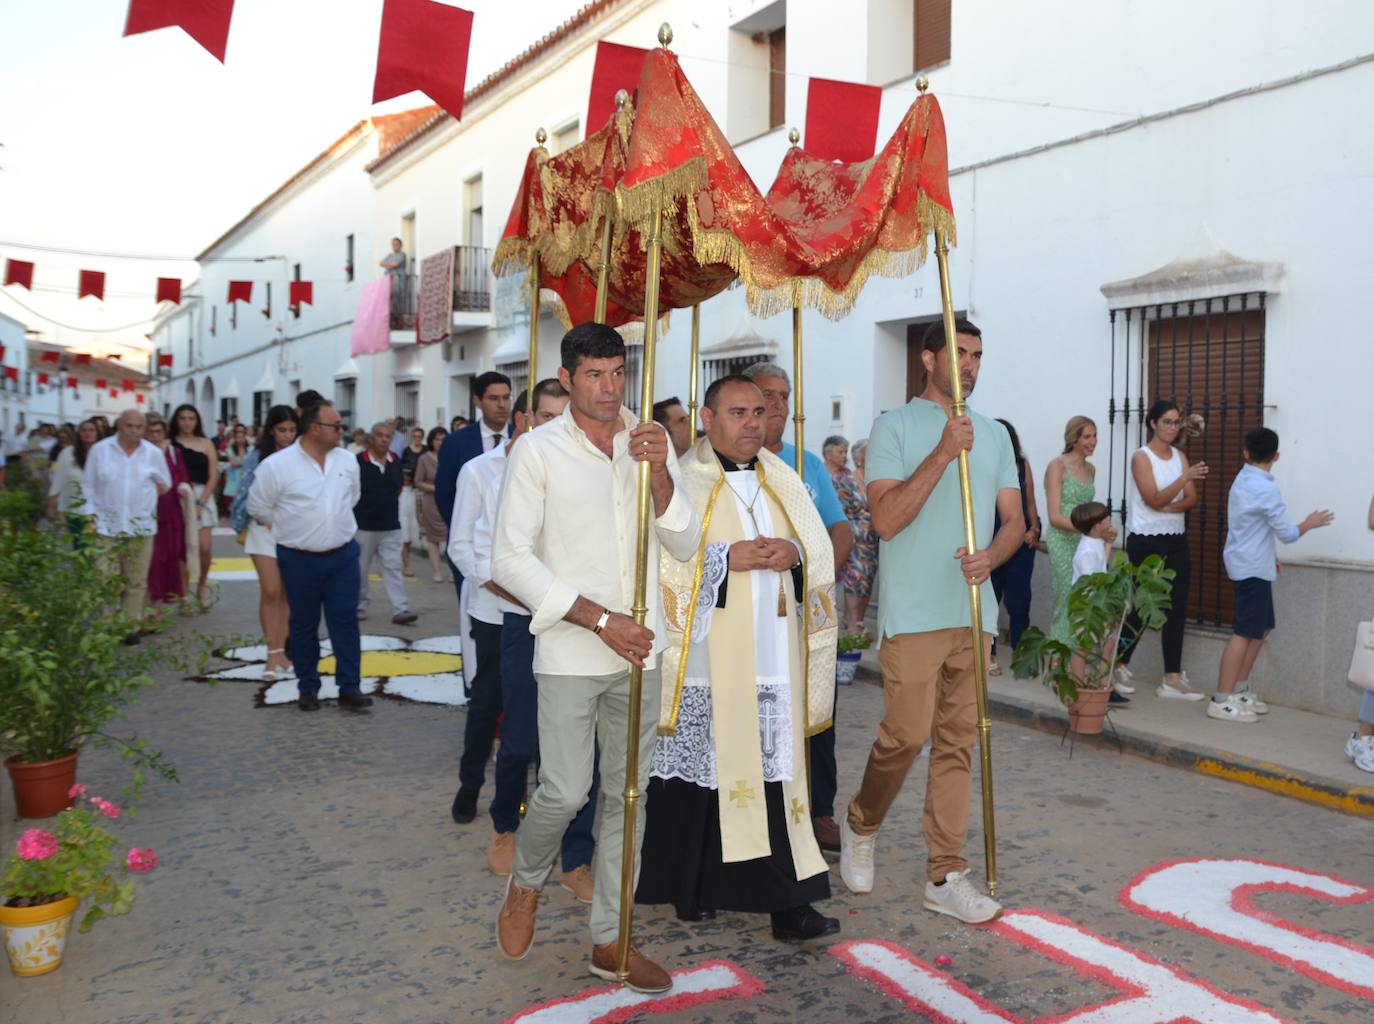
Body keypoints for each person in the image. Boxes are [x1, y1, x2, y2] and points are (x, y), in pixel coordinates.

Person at [491, 323, 701, 993]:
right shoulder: (538, 451)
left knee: (628, 797)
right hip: (571, 648)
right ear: (568, 377)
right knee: (564, 789)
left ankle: (611, 937)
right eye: (595, 376)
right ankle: (527, 883)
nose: (610, 389)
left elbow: (685, 541)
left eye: (618, 374)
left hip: (642, 652)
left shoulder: (649, 441)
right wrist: (601, 619)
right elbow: (508, 560)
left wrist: (662, 473)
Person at [639, 374, 839, 942]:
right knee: (705, 777)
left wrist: (794, 553)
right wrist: (728, 559)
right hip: (711, 657)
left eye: (759, 411)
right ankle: (690, 887)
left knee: (775, 776)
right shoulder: (684, 479)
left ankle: (789, 904)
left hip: (775, 654)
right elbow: (666, 563)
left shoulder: (785, 478)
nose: (753, 422)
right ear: (707, 418)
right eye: (738, 411)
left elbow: (818, 548)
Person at [840, 318, 1021, 926]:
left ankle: (945, 874)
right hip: (914, 614)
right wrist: (945, 451)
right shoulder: (892, 427)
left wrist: (992, 556)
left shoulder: (994, 434)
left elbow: (1016, 522)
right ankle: (862, 820)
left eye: (978, 355)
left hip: (974, 613)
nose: (970, 365)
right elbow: (887, 520)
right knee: (905, 736)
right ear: (928, 358)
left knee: (957, 747)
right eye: (960, 354)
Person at [450, 379, 597, 898]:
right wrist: (510, 586)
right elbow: (465, 546)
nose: (556, 426)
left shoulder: (580, 466)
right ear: (522, 418)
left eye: (565, 416)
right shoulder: (482, 472)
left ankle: (577, 854)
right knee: (518, 735)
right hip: (511, 614)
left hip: (574, 619)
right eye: (546, 416)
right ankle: (506, 826)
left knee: (583, 742)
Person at [742, 360, 854, 855]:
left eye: (784, 395)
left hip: (808, 607)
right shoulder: (727, 465)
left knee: (817, 710)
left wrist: (817, 570)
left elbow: (840, 528)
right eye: (768, 395)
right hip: (752, 612)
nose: (778, 406)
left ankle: (821, 808)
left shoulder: (807, 464)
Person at [247, 400, 371, 714]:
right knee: (303, 624)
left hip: (343, 556)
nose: (341, 432)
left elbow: (353, 497)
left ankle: (349, 687)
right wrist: (291, 527)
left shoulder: (347, 461)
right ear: (315, 429)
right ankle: (308, 686)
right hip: (298, 558)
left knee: (345, 622)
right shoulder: (277, 465)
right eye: (335, 426)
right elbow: (259, 507)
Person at [1210, 428, 1333, 724]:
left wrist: (1270, 557)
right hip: (1251, 566)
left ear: (1245, 453)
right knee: (1244, 631)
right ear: (1276, 456)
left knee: (1261, 628)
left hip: (1254, 562)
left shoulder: (1245, 478)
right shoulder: (1264, 489)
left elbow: (1254, 526)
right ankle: (1221, 699)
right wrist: (1309, 523)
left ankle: (1239, 690)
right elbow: (1288, 534)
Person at [1116, 400, 1208, 700]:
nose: (1173, 427)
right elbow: (1152, 500)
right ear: (1153, 423)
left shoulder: (1180, 456)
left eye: (1176, 422)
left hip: (1175, 537)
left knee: (1177, 605)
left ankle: (1172, 677)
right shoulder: (1141, 458)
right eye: (1167, 421)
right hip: (1146, 539)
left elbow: (1191, 498)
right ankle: (1116, 664)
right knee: (1145, 606)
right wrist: (1181, 482)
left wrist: (1168, 503)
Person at [83, 410, 172, 630]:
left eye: (139, 426)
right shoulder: (100, 450)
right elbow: (88, 486)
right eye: (129, 426)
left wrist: (144, 498)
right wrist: (89, 518)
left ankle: (130, 626)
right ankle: (106, 625)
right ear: (119, 426)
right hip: (105, 525)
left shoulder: (152, 454)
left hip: (140, 526)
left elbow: (165, 483)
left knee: (137, 580)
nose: (134, 431)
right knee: (105, 579)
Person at [230, 405, 299, 682]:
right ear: (271, 430)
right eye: (282, 430)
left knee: (286, 594)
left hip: (292, 531)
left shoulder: (302, 457)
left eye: (293, 430)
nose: (287, 435)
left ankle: (281, 652)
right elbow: (244, 492)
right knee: (270, 590)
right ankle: (272, 652)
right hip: (261, 529)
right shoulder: (258, 456)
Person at [437, 371, 513, 600]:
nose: (502, 405)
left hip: (513, 549)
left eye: (506, 397)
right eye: (494, 398)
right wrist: (466, 533)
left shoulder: (524, 439)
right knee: (474, 623)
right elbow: (445, 494)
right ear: (477, 401)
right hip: (469, 549)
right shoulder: (456, 442)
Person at [989, 419, 1039, 675]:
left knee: (1021, 602)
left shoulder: (1022, 465)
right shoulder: (984, 465)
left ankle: (1022, 655)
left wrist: (1034, 529)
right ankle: (989, 654)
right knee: (990, 600)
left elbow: (1029, 503)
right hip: (992, 543)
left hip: (1020, 545)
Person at [355, 421, 417, 625]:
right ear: (371, 438)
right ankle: (360, 605)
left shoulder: (395, 460)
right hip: (363, 526)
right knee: (361, 569)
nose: (384, 439)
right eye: (380, 435)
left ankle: (401, 608)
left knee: (394, 567)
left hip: (391, 525)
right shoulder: (357, 462)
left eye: (387, 436)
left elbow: (398, 487)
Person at [1044, 417, 1098, 646]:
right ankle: (1058, 660)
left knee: (1084, 599)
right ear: (1073, 438)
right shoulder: (1057, 466)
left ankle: (1077, 659)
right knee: (1065, 596)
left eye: (1095, 436)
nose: (1093, 442)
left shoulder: (1091, 469)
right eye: (1087, 436)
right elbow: (1055, 516)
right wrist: (1089, 529)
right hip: (1062, 540)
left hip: (1085, 542)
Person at [824, 435, 878, 636]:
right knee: (855, 581)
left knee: (866, 582)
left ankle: (857, 622)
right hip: (853, 539)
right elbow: (839, 511)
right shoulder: (843, 480)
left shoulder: (870, 477)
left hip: (872, 540)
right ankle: (853, 624)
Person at [172, 403, 220, 607]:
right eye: (182, 418)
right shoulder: (171, 444)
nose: (187, 423)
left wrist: (201, 502)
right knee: (182, 549)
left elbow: (213, 475)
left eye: (191, 418)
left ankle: (201, 587)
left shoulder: (206, 443)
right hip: (179, 496)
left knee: (204, 548)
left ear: (197, 421)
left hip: (203, 496)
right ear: (176, 420)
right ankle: (183, 595)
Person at [144, 412, 191, 606]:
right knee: (152, 560)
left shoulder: (173, 452)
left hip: (170, 510)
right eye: (151, 432)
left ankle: (171, 600)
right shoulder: (142, 453)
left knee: (173, 556)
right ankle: (151, 606)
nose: (155, 436)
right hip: (148, 510)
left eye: (158, 431)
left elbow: (182, 477)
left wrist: (182, 488)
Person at [46, 418, 100, 539]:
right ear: (78, 433)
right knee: (80, 544)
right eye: (84, 430)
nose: (88, 433)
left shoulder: (103, 453)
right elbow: (58, 480)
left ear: (97, 433)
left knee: (94, 546)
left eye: (92, 430)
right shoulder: (67, 453)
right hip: (74, 508)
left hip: (97, 509)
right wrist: (51, 505)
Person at [412, 426, 450, 582]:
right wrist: (435, 488)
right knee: (432, 538)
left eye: (443, 439)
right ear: (431, 441)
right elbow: (418, 481)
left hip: (448, 500)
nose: (440, 442)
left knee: (451, 537)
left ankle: (451, 571)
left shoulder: (450, 456)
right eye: (437, 439)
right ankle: (437, 571)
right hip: (431, 502)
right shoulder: (424, 458)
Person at [399, 425, 426, 576]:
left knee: (414, 528)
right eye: (414, 436)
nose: (417, 439)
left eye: (419, 436)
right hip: (406, 489)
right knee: (404, 532)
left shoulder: (425, 451)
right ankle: (405, 564)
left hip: (419, 490)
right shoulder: (407, 451)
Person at [221, 424, 250, 518]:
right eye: (237, 437)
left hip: (246, 479)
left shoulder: (251, 449)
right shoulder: (230, 450)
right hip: (234, 478)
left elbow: (250, 464)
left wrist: (242, 463)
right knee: (234, 502)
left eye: (242, 436)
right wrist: (244, 463)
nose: (240, 439)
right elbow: (234, 463)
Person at [380, 237, 407, 309]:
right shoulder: (390, 255)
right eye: (393, 244)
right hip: (388, 280)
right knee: (388, 297)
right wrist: (390, 265)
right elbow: (381, 263)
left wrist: (388, 265)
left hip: (398, 279)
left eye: (396, 244)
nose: (394, 246)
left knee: (397, 297)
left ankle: (398, 313)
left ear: (400, 245)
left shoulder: (402, 254)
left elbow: (396, 264)